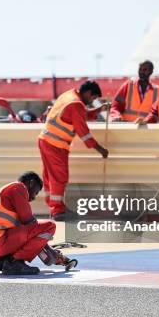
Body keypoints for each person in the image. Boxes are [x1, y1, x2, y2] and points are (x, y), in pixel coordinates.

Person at [38, 80, 109, 222]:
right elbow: (84, 133)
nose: (92, 101)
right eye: (93, 98)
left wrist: (98, 110)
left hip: (45, 140)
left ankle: (53, 207)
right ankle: (58, 210)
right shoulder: (76, 105)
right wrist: (101, 150)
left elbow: (79, 114)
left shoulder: (69, 95)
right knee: (59, 177)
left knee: (49, 176)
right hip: (56, 145)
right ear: (88, 93)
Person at [0, 171, 56, 275]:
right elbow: (29, 221)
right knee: (50, 226)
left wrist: (45, 245)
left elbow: (27, 230)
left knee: (28, 228)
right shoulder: (18, 188)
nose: (34, 198)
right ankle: (14, 263)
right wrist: (46, 245)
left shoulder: (8, 189)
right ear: (31, 183)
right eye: (36, 192)